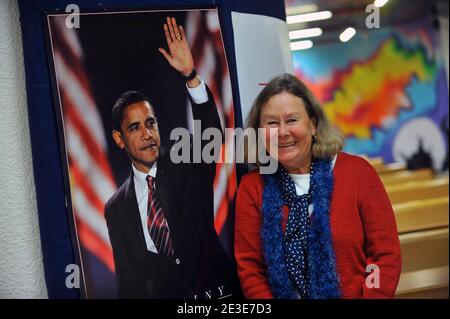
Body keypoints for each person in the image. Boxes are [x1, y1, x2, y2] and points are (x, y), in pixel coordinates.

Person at [105, 17, 239, 299]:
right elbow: (129, 279)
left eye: (151, 123)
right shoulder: (115, 207)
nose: (147, 133)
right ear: (119, 139)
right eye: (135, 127)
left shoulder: (185, 163)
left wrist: (191, 75)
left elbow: (210, 137)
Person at [234, 73, 402, 299]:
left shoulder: (358, 173)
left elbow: (385, 257)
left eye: (292, 120)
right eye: (272, 123)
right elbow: (251, 269)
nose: (282, 132)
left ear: (313, 125)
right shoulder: (252, 187)